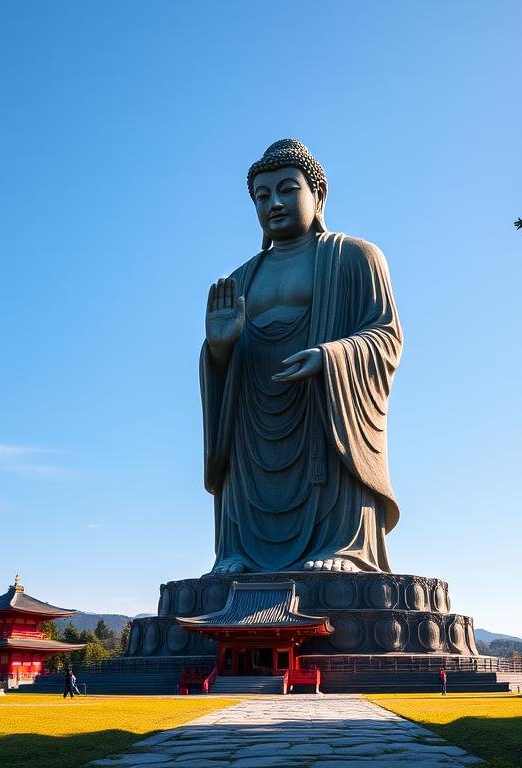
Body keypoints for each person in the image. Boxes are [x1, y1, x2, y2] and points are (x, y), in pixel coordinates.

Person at [202, 139, 402, 575]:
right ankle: (238, 552)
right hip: (254, 415)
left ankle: (345, 547)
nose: (273, 203)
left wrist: (332, 358)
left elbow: (386, 336)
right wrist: (218, 348)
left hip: (324, 410)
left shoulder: (356, 257)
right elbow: (219, 364)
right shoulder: (239, 279)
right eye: (261, 196)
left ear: (318, 195)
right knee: (245, 472)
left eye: (287, 189)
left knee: (333, 460)